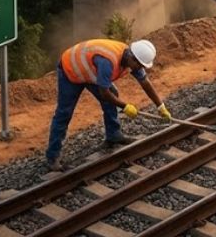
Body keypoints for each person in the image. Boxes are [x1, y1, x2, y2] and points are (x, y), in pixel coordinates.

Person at [45, 38, 168, 171]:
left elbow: (145, 83)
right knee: (64, 113)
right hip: (71, 70)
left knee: (112, 94)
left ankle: (113, 135)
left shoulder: (131, 59)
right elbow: (104, 93)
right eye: (140, 65)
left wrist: (160, 106)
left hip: (90, 69)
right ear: (132, 58)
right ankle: (52, 157)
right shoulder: (108, 61)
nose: (140, 68)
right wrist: (125, 106)